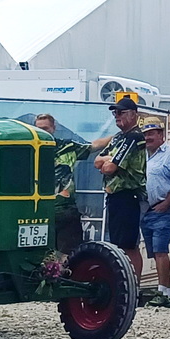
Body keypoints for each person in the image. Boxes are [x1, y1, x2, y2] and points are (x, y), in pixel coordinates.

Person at [87, 97, 148, 279]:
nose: (117, 116)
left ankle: (134, 285)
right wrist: (108, 160)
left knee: (128, 245)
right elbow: (97, 162)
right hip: (115, 196)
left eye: (121, 112)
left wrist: (108, 161)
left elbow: (109, 168)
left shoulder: (134, 137)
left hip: (128, 195)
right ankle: (123, 281)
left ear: (133, 114)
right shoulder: (119, 137)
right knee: (117, 243)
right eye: (115, 113)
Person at [140, 117, 170, 307]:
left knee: (160, 250)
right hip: (146, 209)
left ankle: (165, 293)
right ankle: (164, 290)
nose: (147, 137)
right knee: (154, 251)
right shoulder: (142, 155)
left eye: (151, 133)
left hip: (164, 207)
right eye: (145, 134)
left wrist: (167, 203)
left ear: (161, 134)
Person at [35, 113, 86, 254]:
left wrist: (118, 137)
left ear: (53, 128)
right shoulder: (28, 150)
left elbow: (93, 146)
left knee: (69, 254)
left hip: (66, 210)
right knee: (43, 254)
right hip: (39, 211)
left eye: (45, 128)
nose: (42, 132)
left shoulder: (66, 147)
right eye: (38, 129)